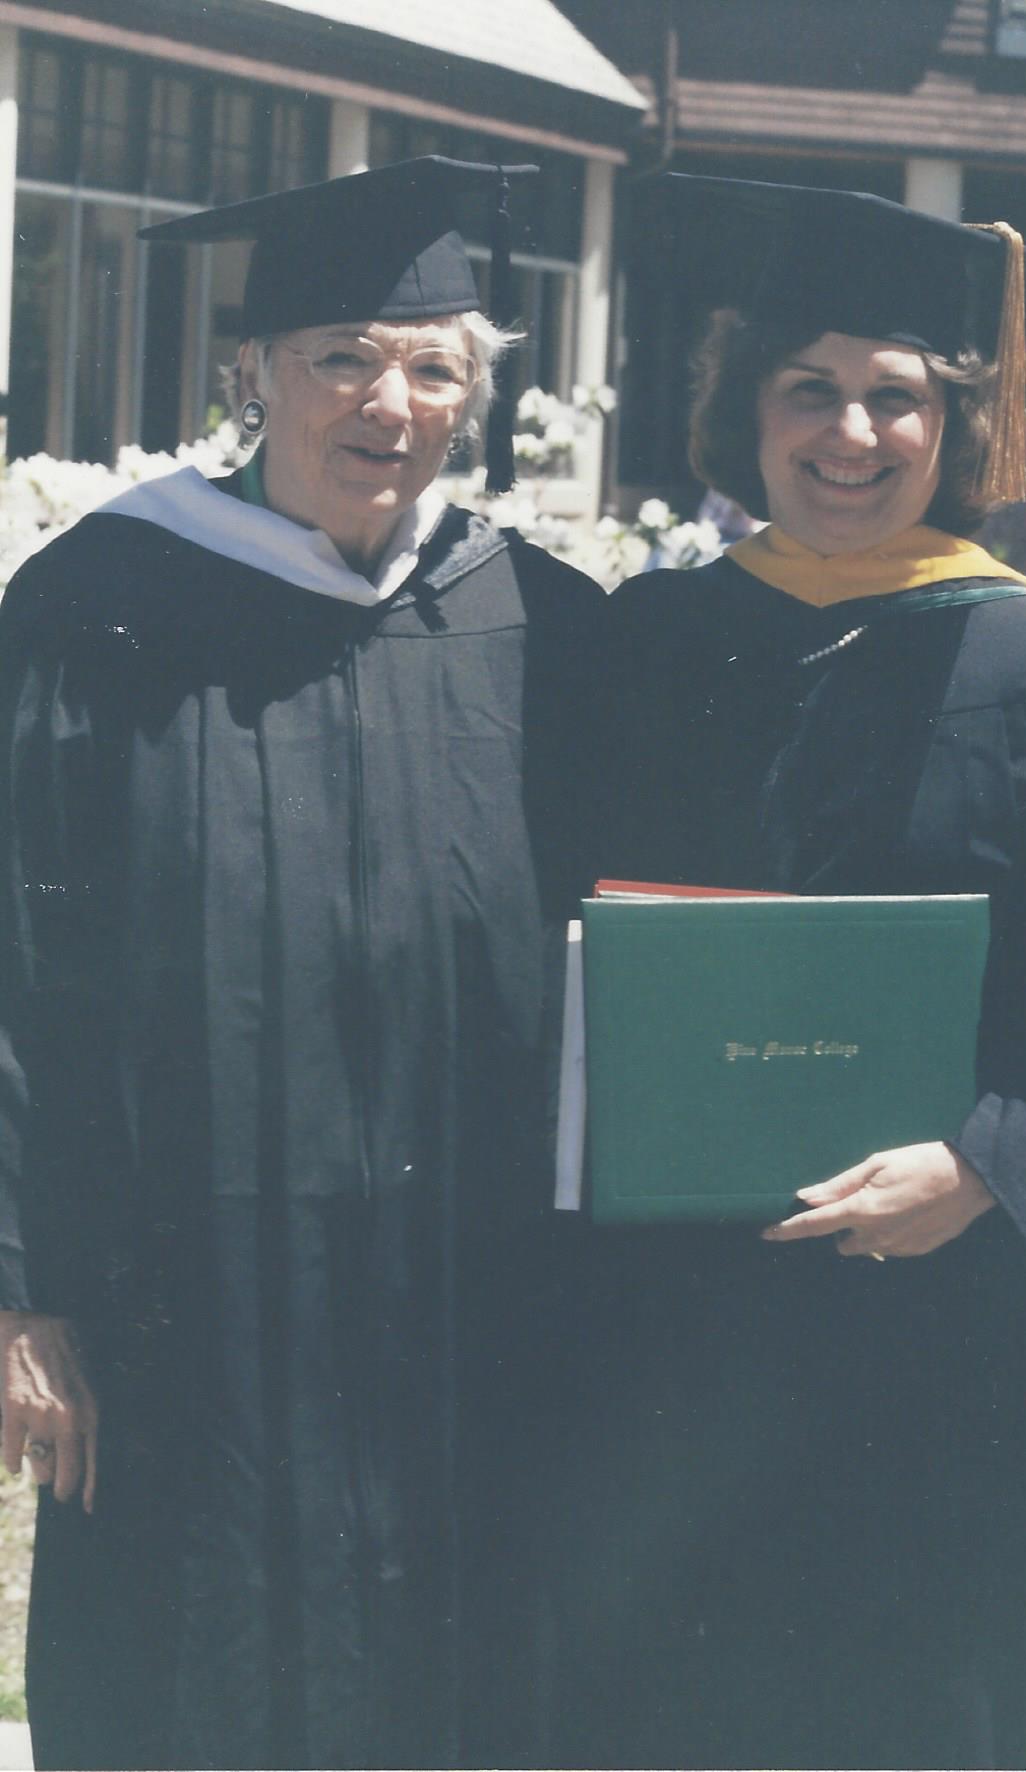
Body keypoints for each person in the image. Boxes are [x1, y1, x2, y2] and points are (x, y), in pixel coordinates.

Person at [550, 178, 1026, 1772]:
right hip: (684, 1315)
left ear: (953, 425)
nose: (850, 435)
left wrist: (983, 1166)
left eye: (895, 397)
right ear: (745, 410)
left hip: (950, 1314)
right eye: (808, 390)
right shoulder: (652, 640)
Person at [0, 156, 604, 1771]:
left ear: (473, 396)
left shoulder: (539, 620)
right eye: (340, 352)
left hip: (462, 1299)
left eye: (430, 365)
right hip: (180, 1296)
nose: (384, 400)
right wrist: (19, 1291)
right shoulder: (93, 611)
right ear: (252, 372)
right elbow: (11, 963)